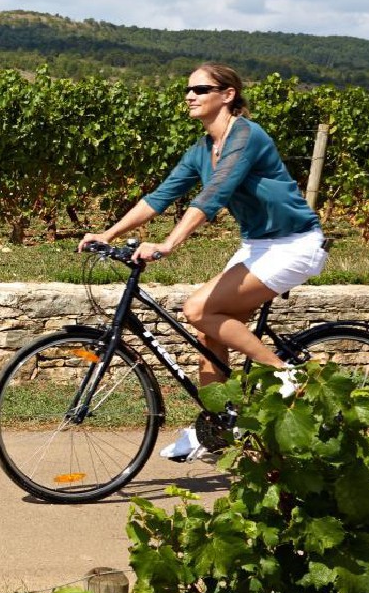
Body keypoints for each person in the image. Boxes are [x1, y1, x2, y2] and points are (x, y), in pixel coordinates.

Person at [79, 62, 326, 461]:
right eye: (188, 89)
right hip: (259, 245)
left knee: (196, 309)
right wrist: (107, 234)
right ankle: (216, 428)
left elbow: (214, 194)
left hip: (295, 243)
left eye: (201, 88)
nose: (190, 95)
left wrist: (169, 245)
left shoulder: (246, 136)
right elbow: (159, 197)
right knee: (210, 335)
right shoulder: (201, 150)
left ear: (227, 95)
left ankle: (286, 375)